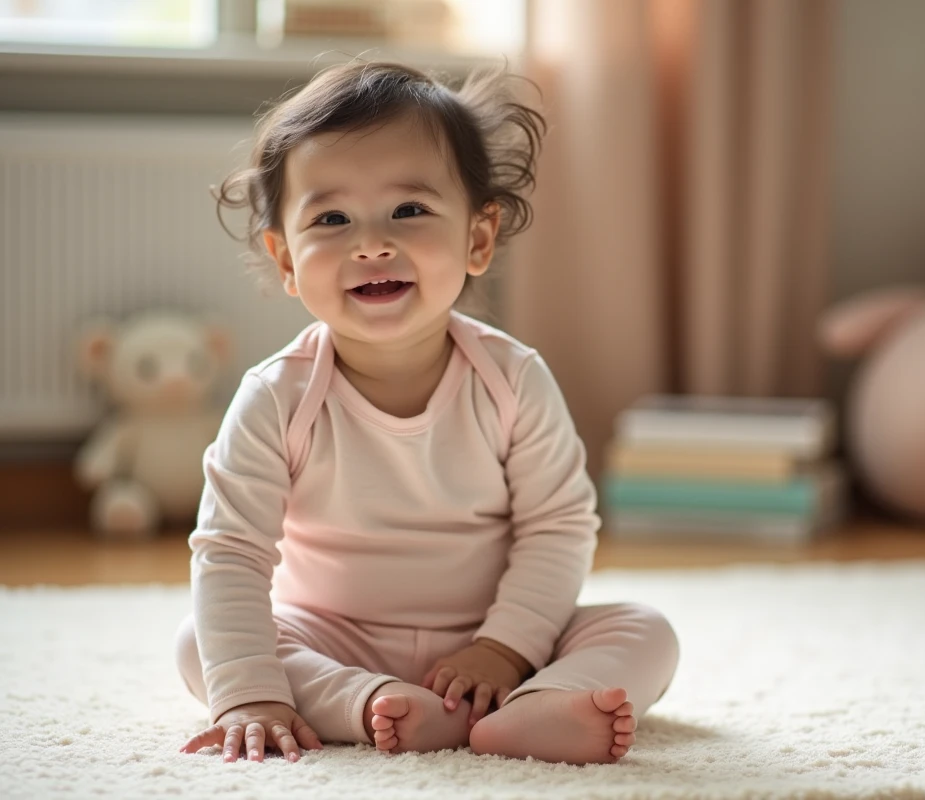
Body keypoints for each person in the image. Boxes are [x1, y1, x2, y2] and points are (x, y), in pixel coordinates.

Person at [174, 61, 679, 767]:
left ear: (478, 239)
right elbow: (230, 552)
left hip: (496, 635)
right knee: (205, 647)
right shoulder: (275, 397)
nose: (372, 242)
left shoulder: (513, 379)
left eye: (409, 211)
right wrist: (251, 696)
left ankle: (539, 706)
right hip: (334, 636)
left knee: (644, 629)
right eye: (331, 219)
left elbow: (557, 525)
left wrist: (506, 648)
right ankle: (371, 703)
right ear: (286, 260)